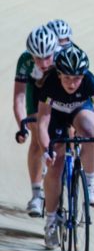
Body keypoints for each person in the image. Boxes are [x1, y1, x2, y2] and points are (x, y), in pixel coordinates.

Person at [35, 45, 94, 248]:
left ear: (83, 75)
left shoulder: (90, 81)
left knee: (89, 133)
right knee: (55, 166)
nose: (72, 84)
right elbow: (42, 123)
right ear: (59, 74)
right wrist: (47, 150)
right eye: (67, 79)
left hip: (79, 110)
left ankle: (89, 181)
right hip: (55, 117)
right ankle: (52, 220)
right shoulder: (50, 83)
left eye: (77, 79)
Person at [13, 25, 60, 216]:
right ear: (30, 54)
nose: (44, 62)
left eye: (48, 56)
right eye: (38, 58)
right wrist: (22, 126)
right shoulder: (25, 61)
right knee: (36, 135)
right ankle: (36, 194)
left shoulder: (62, 58)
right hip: (37, 93)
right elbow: (19, 97)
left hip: (60, 92)